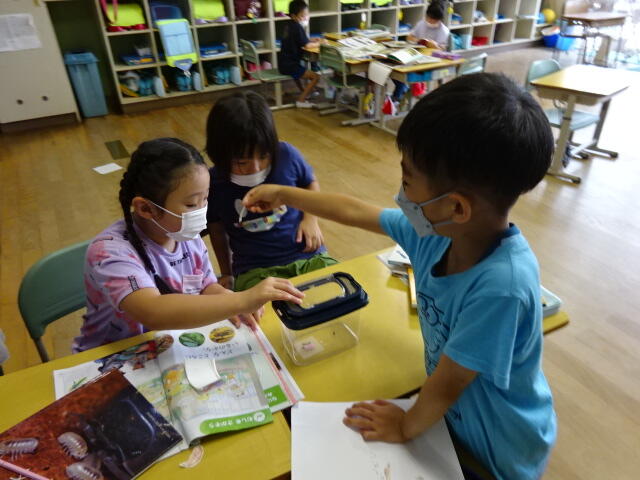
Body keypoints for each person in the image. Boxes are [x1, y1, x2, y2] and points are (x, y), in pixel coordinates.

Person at [242, 73, 557, 480]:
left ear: (456, 208)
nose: (401, 192)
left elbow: (451, 381)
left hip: (498, 447)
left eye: (408, 180)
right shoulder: (435, 234)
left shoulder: (502, 287)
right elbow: (354, 211)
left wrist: (405, 426)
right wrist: (285, 194)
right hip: (450, 421)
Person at [74, 138, 303, 352]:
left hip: (169, 344)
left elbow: (205, 286)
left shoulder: (184, 234)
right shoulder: (109, 252)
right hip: (113, 356)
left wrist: (229, 299)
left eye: (206, 199)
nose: (202, 210)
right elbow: (153, 311)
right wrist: (241, 300)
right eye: (192, 204)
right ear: (146, 208)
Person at [205, 91, 337, 292]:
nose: (256, 168)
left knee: (343, 285)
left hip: (308, 255)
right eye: (242, 162)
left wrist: (310, 220)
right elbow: (216, 230)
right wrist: (227, 273)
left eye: (264, 156)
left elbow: (310, 183)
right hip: (255, 270)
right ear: (220, 155)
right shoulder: (214, 182)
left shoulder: (286, 155)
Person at [392, 1, 450, 103]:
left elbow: (442, 50)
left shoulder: (443, 30)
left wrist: (436, 46)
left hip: (431, 60)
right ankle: (401, 89)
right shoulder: (421, 24)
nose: (430, 21)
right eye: (429, 18)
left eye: (434, 20)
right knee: (394, 66)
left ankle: (397, 96)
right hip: (416, 55)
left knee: (405, 70)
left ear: (440, 19)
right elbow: (410, 37)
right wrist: (417, 40)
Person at [278, 0, 323, 108]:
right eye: (302, 16)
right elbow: (307, 45)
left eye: (306, 15)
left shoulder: (289, 25)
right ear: (294, 16)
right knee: (316, 77)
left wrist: (312, 40)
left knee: (303, 70)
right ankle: (301, 100)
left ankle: (305, 91)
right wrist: (320, 43)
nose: (305, 18)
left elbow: (300, 40)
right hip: (290, 66)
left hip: (283, 63)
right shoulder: (297, 27)